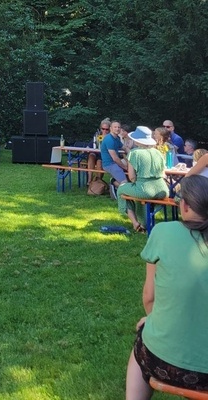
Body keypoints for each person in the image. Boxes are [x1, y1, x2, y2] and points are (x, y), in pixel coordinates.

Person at [125, 175, 208, 399]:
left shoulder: (163, 233)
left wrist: (154, 321)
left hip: (161, 360)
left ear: (185, 205)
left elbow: (149, 297)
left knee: (140, 351)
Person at [116, 127, 168, 232]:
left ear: (137, 140)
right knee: (139, 194)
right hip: (163, 190)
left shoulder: (134, 153)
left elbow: (132, 177)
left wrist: (135, 182)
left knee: (121, 189)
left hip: (145, 190)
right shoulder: (158, 152)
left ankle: (135, 223)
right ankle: (144, 223)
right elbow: (163, 173)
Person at [101, 120, 128, 198]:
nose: (117, 129)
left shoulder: (116, 138)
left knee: (130, 164)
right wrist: (125, 167)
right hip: (109, 164)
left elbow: (125, 148)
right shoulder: (109, 139)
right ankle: (114, 183)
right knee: (125, 183)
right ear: (111, 128)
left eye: (119, 127)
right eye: (115, 127)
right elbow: (115, 158)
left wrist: (131, 154)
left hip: (115, 163)